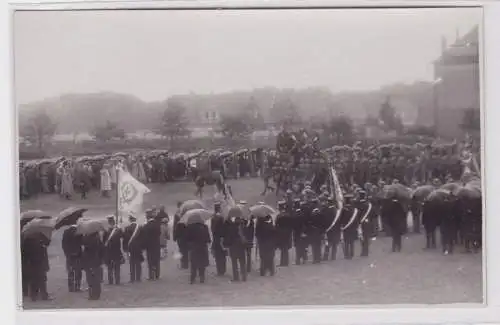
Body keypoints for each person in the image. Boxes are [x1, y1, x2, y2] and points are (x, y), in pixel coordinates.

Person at [23, 233, 52, 301]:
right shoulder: (30, 238)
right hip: (36, 261)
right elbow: (25, 251)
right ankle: (40, 295)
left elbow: (47, 243)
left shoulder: (29, 237)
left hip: (35, 261)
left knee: (38, 279)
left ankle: (36, 296)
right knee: (39, 279)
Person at [223, 215, 247, 282]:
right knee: (242, 262)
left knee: (234, 262)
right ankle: (244, 276)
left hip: (234, 246)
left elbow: (229, 237)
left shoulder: (232, 227)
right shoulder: (243, 226)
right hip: (241, 246)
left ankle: (236, 277)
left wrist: (226, 244)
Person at [82, 232, 105, 300]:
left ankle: (91, 295)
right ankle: (97, 294)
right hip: (97, 262)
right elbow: (102, 250)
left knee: (90, 280)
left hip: (89, 262)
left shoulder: (86, 239)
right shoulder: (98, 240)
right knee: (96, 279)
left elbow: (85, 252)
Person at [62, 224, 83, 292]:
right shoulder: (79, 232)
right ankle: (77, 287)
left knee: (70, 272)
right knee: (78, 272)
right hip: (77, 255)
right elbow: (82, 242)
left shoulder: (66, 232)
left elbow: (63, 244)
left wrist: (67, 253)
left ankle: (71, 287)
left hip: (69, 256)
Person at [123, 215, 144, 282]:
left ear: (130, 220)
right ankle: (138, 278)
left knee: (132, 263)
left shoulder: (127, 228)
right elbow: (142, 238)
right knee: (138, 263)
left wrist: (125, 248)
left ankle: (132, 278)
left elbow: (125, 239)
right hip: (138, 248)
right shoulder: (140, 227)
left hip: (130, 248)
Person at [103, 216, 124, 285]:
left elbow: (104, 241)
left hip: (109, 252)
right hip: (117, 251)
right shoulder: (118, 230)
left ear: (109, 222)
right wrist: (119, 228)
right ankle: (117, 281)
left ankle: (110, 281)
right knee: (117, 268)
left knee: (110, 268)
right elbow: (122, 236)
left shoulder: (106, 231)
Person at [143, 210, 162, 280]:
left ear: (147, 217)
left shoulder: (146, 226)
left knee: (150, 260)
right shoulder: (157, 224)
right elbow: (159, 233)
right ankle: (157, 275)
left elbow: (144, 237)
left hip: (149, 246)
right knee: (156, 260)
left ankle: (151, 275)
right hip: (156, 244)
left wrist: (144, 246)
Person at [211, 202, 227, 276]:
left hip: (215, 238)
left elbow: (212, 229)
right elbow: (223, 229)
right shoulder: (221, 217)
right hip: (221, 238)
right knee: (222, 255)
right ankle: (222, 270)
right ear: (219, 209)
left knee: (217, 255)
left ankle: (219, 270)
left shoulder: (213, 217)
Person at [275, 201, 293, 266]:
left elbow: (276, 226)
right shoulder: (288, 215)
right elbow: (291, 225)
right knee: (285, 248)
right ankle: (285, 262)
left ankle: (283, 262)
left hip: (281, 234)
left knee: (283, 249)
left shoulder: (279, 216)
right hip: (287, 234)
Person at [356, 191, 373, 257]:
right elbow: (372, 214)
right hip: (367, 222)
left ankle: (363, 251)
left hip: (360, 223)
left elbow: (357, 214)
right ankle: (366, 251)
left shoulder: (358, 204)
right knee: (366, 237)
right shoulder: (368, 204)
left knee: (361, 237)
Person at [340, 194, 358, 260]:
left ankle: (346, 254)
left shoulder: (343, 209)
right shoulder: (354, 209)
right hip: (352, 227)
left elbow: (341, 219)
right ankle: (352, 254)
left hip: (346, 227)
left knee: (346, 241)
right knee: (352, 241)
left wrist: (341, 226)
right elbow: (356, 219)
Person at [173, 202, 189, 269]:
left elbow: (175, 226)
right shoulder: (187, 214)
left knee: (181, 250)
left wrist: (174, 236)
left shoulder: (177, 215)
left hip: (180, 235)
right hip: (186, 235)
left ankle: (183, 264)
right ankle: (186, 264)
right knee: (186, 250)